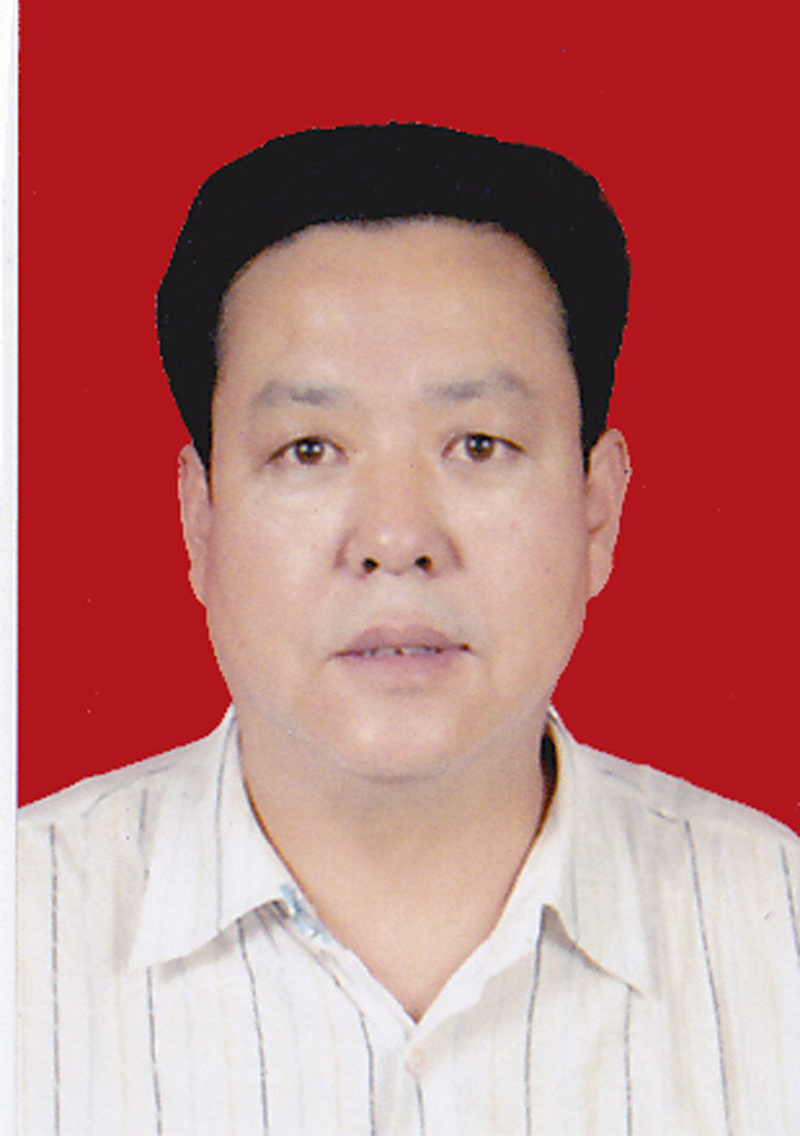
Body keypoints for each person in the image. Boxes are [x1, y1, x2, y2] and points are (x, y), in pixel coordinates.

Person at [17, 124, 799, 1134]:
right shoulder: (21, 937)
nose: (394, 538)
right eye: (309, 449)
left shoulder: (777, 934)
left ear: (596, 511)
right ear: (199, 520)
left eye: (478, 445)